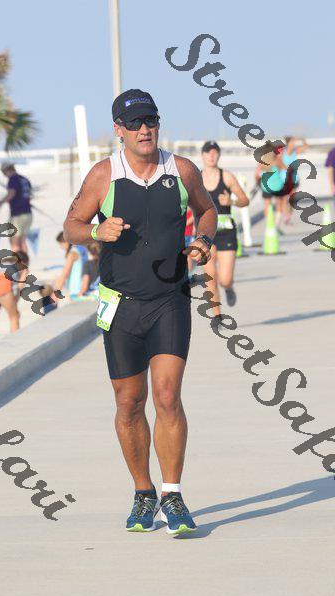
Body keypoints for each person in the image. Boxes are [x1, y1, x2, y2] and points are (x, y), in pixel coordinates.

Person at [64, 88, 217, 535]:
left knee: (167, 397)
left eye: (151, 120)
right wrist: (97, 231)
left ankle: (173, 494)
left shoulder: (181, 170)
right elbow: (71, 226)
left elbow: (207, 210)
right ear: (119, 130)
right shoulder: (103, 175)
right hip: (120, 305)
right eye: (134, 123)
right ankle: (143, 492)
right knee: (129, 403)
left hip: (170, 299)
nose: (144, 129)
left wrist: (203, 240)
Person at [201, 141, 249, 313]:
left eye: (215, 152)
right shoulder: (196, 178)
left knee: (224, 279)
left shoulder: (227, 176)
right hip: (205, 234)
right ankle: (217, 317)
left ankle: (228, 288)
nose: (211, 156)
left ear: (219, 155)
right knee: (210, 278)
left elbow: (245, 200)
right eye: (208, 152)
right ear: (202, 155)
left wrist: (231, 201)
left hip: (226, 233)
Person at [0, 162, 33, 254]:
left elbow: (11, 193)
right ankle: (25, 262)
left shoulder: (13, 179)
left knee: (14, 242)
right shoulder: (24, 179)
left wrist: (1, 202)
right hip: (28, 213)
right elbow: (30, 195)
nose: (4, 175)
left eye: (3, 172)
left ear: (7, 170)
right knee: (23, 241)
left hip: (18, 214)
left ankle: (18, 262)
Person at [281, 136, 308, 224]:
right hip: (284, 179)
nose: (293, 144)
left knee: (292, 198)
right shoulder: (282, 152)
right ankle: (286, 216)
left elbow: (306, 146)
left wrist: (302, 138)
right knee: (284, 198)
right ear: (288, 143)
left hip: (294, 179)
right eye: (292, 142)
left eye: (294, 142)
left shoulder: (294, 152)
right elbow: (277, 162)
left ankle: (288, 216)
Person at [53, 231, 85, 299]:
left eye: (61, 244)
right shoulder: (77, 250)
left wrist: (55, 295)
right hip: (78, 291)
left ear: (66, 242)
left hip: (76, 292)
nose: (61, 247)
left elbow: (65, 274)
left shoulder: (72, 254)